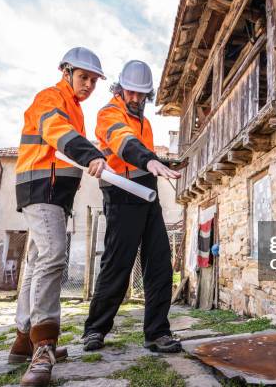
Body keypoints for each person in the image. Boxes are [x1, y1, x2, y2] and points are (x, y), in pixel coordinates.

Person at [10, 47, 113, 387]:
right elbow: (55, 132)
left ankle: (23, 340)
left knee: (38, 261)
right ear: (66, 71)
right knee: (54, 256)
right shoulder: (50, 97)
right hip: (42, 189)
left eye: (94, 80)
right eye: (84, 77)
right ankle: (44, 345)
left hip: (55, 193)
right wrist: (91, 154)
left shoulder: (77, 110)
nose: (89, 85)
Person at [83, 60, 184, 353]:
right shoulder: (108, 113)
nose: (136, 99)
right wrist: (148, 158)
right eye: (131, 92)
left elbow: (142, 154)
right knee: (118, 264)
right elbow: (123, 142)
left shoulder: (146, 122)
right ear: (120, 88)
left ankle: (157, 333)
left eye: (142, 95)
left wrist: (160, 162)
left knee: (161, 265)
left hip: (147, 195)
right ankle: (95, 330)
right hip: (121, 193)